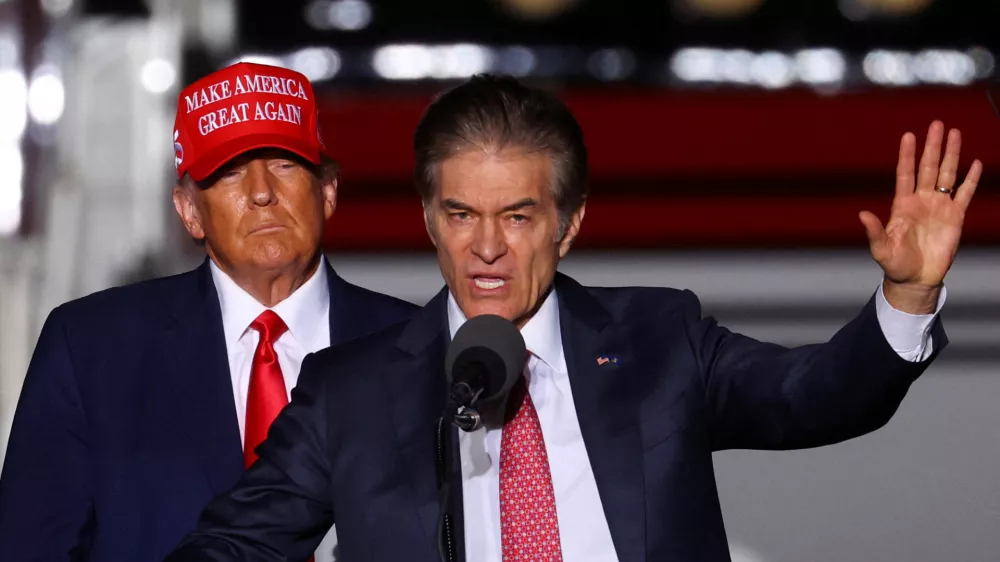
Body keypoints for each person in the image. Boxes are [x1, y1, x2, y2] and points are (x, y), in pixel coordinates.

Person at [164, 74, 981, 562]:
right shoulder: (351, 392)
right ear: (426, 219)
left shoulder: (660, 341)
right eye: (460, 215)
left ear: (570, 223)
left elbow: (819, 395)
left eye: (517, 217)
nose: (486, 248)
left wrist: (906, 297)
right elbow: (235, 546)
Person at [0, 62, 417, 562]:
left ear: (328, 191)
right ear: (189, 211)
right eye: (230, 172)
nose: (262, 192)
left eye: (285, 164)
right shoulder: (92, 349)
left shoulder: (419, 347)